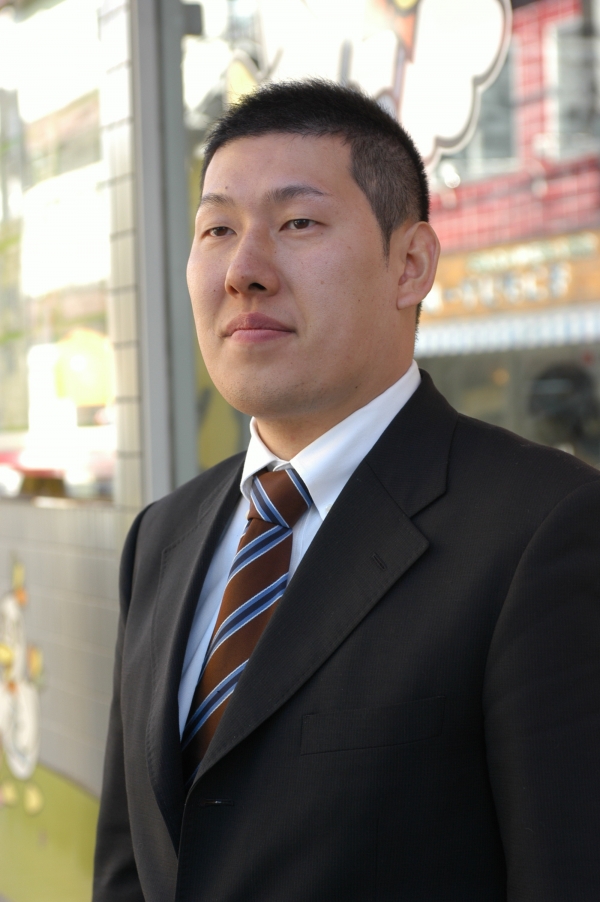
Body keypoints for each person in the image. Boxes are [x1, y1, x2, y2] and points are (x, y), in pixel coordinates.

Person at [93, 80, 600, 902]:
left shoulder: (545, 529)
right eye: (218, 229)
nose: (244, 271)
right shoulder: (162, 537)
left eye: (298, 223)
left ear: (411, 265)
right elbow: (128, 867)